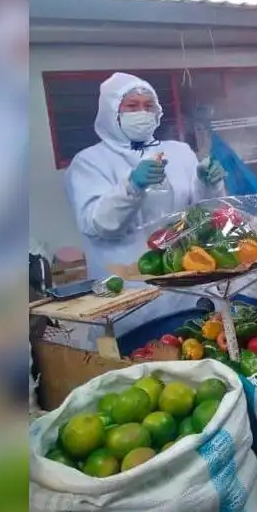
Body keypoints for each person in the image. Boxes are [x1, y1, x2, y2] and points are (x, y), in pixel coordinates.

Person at [64, 72, 227, 338]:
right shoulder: (90, 162)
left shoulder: (179, 151)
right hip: (130, 294)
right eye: (131, 106)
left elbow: (201, 214)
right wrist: (132, 187)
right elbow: (100, 225)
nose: (142, 112)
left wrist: (209, 183)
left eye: (148, 105)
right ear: (111, 112)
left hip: (186, 285)